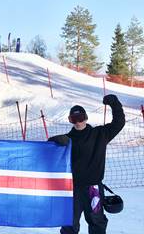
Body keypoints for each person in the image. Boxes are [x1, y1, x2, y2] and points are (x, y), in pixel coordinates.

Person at [48, 94, 125, 234]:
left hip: (93, 189)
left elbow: (119, 122)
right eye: (74, 119)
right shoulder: (67, 140)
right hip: (72, 189)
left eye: (80, 118)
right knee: (69, 223)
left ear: (86, 118)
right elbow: (47, 154)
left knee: (97, 221)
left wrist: (115, 103)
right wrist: (53, 141)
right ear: (70, 120)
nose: (78, 122)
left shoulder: (100, 134)